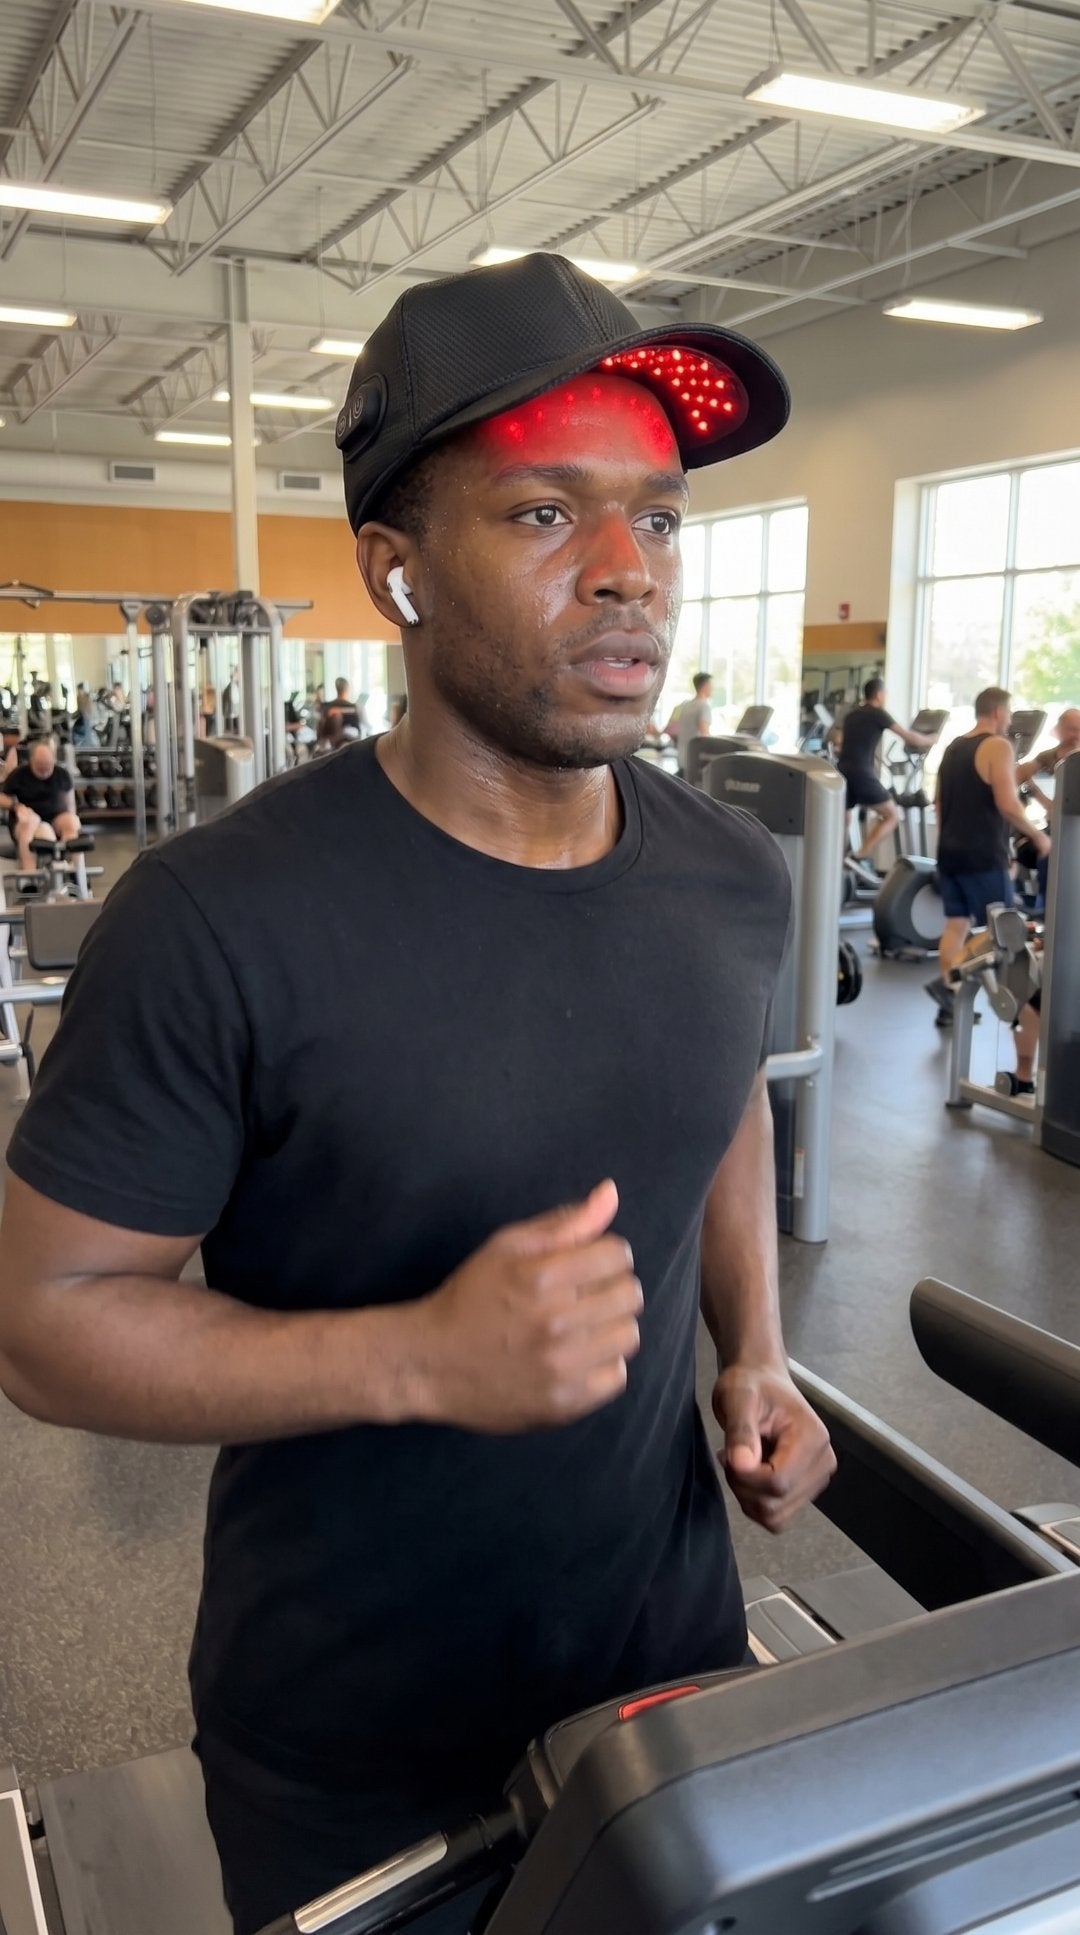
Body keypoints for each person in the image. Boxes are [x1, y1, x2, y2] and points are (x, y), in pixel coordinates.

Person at [0, 252, 833, 1935]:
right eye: (545, 513)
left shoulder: (733, 876)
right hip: (354, 1740)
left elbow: (723, 1095)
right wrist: (418, 1358)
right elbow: (41, 1318)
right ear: (397, 571)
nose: (628, 571)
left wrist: (753, 1345)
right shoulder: (219, 918)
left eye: (659, 520)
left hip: (662, 1668)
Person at [925, 687, 1051, 1026]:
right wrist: (1038, 835)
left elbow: (939, 803)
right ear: (998, 712)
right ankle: (948, 982)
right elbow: (1007, 804)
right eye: (1008, 714)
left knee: (957, 924)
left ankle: (950, 1002)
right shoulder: (998, 746)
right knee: (1004, 931)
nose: (1009, 721)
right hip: (980, 854)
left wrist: (947, 843)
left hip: (950, 851)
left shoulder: (953, 747)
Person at [838, 679, 939, 883]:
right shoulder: (878, 713)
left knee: (845, 820)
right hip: (862, 773)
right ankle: (859, 856)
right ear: (879, 694)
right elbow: (909, 737)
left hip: (843, 770)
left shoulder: (852, 715)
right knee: (892, 815)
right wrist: (932, 739)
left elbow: (839, 740)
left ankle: (839, 863)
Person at [0, 735, 81, 873]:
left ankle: (75, 872)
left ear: (53, 761)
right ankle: (29, 875)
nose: (44, 771)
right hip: (28, 820)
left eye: (47, 767)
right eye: (40, 768)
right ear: (31, 761)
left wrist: (71, 821)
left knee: (72, 822)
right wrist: (16, 806)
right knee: (40, 829)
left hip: (55, 819)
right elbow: (2, 797)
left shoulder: (62, 775)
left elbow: (70, 806)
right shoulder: (19, 775)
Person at [661, 671, 712, 775]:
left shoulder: (684, 706)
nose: (712, 689)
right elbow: (705, 736)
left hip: (681, 760)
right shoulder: (704, 707)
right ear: (705, 686)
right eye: (711, 685)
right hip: (695, 762)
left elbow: (673, 730)